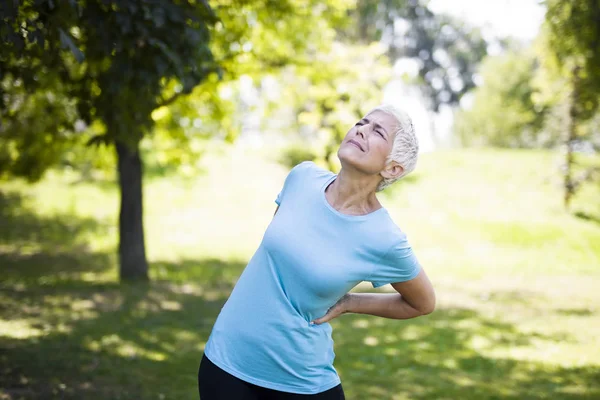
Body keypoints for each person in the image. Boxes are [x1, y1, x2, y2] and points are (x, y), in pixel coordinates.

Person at [198, 104, 436, 399]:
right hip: (225, 362)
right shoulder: (302, 177)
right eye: (361, 122)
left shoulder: (384, 238)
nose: (361, 129)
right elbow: (275, 258)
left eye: (377, 131)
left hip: (300, 382)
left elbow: (422, 303)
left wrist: (351, 302)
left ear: (393, 167)